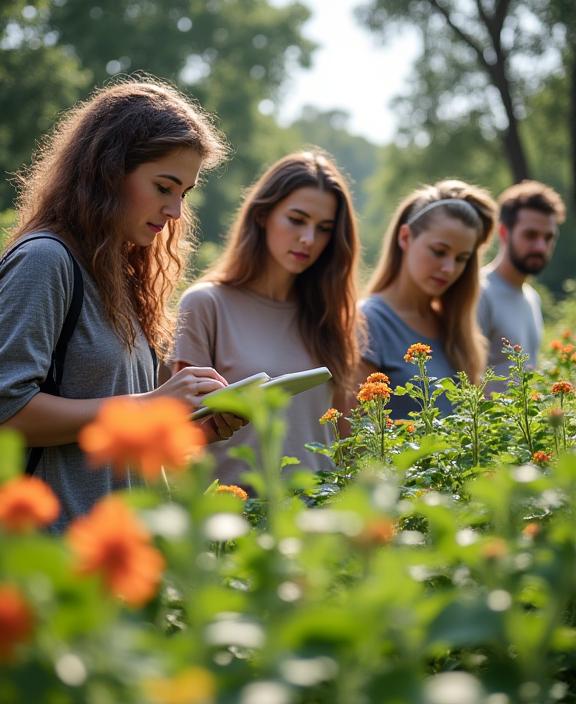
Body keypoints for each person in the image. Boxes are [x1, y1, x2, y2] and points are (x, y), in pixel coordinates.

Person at [0, 77, 243, 531]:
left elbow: (106, 432)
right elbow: (7, 410)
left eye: (184, 194)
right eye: (164, 186)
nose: (175, 212)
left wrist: (190, 427)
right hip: (53, 562)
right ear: (107, 171)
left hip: (123, 563)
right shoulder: (45, 260)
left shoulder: (124, 277)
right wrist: (147, 404)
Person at [172, 150, 363, 486]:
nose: (308, 239)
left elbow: (345, 439)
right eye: (297, 220)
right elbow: (180, 434)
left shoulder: (332, 315)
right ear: (262, 215)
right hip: (235, 523)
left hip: (320, 520)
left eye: (324, 228)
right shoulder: (206, 304)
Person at [359, 179, 497, 418]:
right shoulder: (366, 323)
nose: (449, 268)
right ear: (405, 237)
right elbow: (355, 441)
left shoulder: (456, 330)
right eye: (439, 251)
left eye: (461, 258)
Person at [478, 180, 566, 378]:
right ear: (503, 233)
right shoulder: (478, 292)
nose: (541, 247)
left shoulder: (532, 298)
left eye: (548, 237)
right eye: (530, 235)